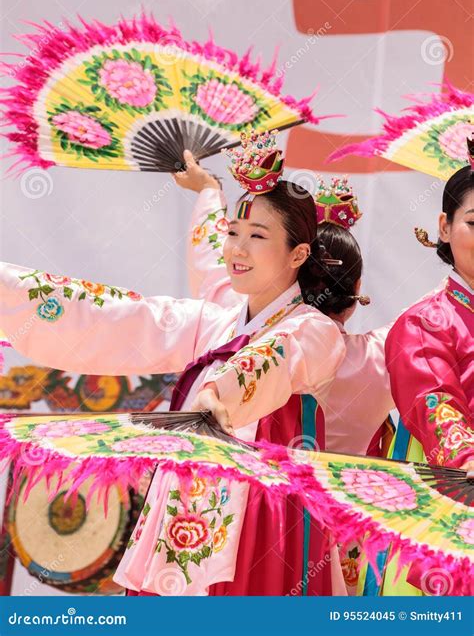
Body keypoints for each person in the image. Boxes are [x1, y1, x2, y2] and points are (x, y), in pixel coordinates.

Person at [0, 130, 345, 596]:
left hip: (264, 515)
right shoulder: (216, 318)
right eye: (234, 233)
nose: (237, 249)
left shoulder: (313, 330)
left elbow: (273, 358)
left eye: (257, 236)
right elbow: (121, 314)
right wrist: (207, 191)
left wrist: (219, 395)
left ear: (298, 254)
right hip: (183, 502)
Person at [177, 150, 395, 460]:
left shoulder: (247, 322)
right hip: (344, 503)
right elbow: (436, 322)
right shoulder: (384, 355)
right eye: (236, 233)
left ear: (297, 262)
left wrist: (209, 190)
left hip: (263, 500)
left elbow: (211, 263)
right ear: (356, 288)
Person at [360, 157, 474, 597]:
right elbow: (434, 402)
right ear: (444, 227)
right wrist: (465, 454)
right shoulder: (425, 324)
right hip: (449, 508)